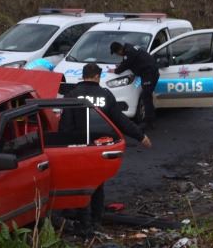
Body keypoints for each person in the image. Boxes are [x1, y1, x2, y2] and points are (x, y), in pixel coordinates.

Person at [60, 62, 151, 236]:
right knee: (97, 185)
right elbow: (120, 121)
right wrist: (140, 136)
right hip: (98, 148)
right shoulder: (105, 95)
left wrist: (64, 149)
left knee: (81, 185)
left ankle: (84, 223)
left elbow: (65, 126)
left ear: (83, 76)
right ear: (97, 76)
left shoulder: (72, 95)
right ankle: (96, 220)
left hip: (78, 149)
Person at [110, 40, 160, 130]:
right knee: (147, 97)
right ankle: (151, 120)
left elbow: (124, 65)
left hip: (149, 73)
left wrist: (115, 70)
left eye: (116, 54)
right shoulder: (129, 48)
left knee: (146, 97)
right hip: (150, 72)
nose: (118, 55)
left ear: (119, 51)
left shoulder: (129, 53)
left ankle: (148, 122)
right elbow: (126, 62)